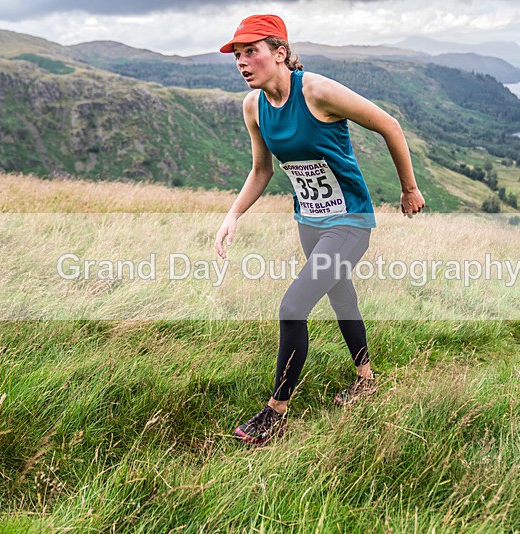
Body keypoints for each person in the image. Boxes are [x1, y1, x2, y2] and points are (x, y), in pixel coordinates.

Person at [213, 14, 425, 446]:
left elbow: (390, 125)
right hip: (308, 222)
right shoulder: (252, 106)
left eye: (251, 51)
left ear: (281, 53)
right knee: (341, 294)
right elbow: (261, 170)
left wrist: (409, 188)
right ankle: (366, 379)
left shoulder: (317, 91)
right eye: (237, 54)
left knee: (292, 308)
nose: (242, 62)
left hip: (349, 221)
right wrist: (232, 214)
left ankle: (275, 413)